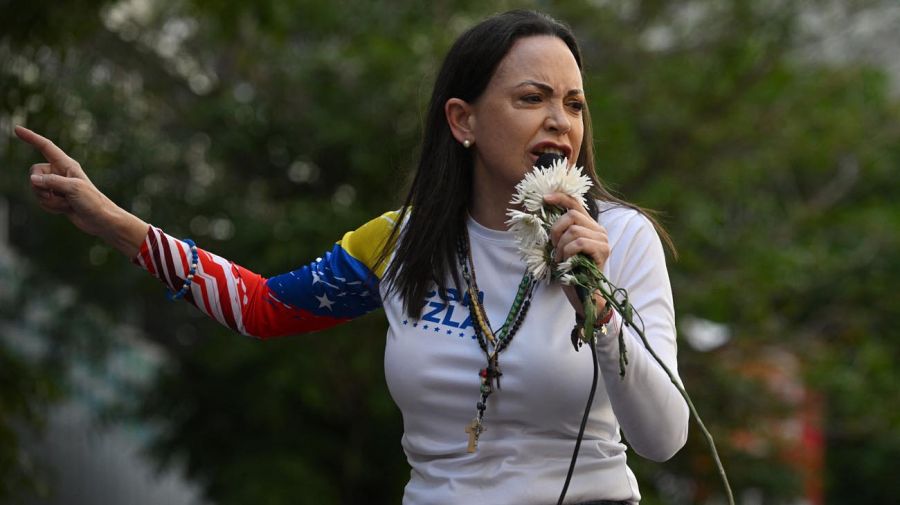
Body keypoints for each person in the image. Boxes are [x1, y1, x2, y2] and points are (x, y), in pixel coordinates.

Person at [17, 9, 688, 505]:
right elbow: (262, 307)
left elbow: (664, 438)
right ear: (463, 121)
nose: (560, 122)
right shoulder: (400, 242)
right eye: (531, 98)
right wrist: (108, 220)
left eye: (573, 104)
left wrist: (597, 305)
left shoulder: (621, 240)